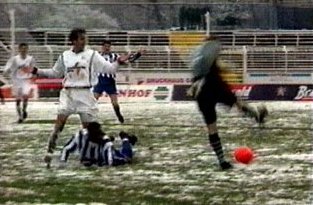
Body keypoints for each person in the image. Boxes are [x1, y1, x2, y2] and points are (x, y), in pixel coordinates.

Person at [24, 28, 131, 166]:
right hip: (68, 94)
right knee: (59, 124)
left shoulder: (92, 55)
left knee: (89, 130)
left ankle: (90, 156)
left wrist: (118, 63)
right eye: (81, 39)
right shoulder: (65, 56)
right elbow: (56, 72)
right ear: (74, 41)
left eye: (85, 39)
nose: (84, 41)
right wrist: (36, 71)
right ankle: (50, 152)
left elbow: (108, 69)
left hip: (86, 94)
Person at [188, 36, 268, 170]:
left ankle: (221, 161)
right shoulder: (211, 62)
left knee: (212, 127)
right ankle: (256, 116)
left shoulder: (199, 61)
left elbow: (206, 70)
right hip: (213, 86)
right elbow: (220, 66)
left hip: (201, 92)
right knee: (236, 103)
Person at [93, 40, 143, 123]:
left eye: (108, 46)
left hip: (110, 81)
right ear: (102, 47)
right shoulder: (97, 56)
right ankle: (90, 117)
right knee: (93, 101)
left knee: (114, 102)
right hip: (99, 81)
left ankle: (119, 116)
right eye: (105, 46)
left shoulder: (114, 56)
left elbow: (128, 61)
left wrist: (138, 55)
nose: (107, 48)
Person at [3, 43, 36, 122]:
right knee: (17, 99)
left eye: (25, 48)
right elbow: (8, 67)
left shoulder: (30, 59)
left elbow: (33, 68)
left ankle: (24, 110)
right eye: (22, 48)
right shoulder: (15, 59)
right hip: (17, 81)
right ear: (19, 49)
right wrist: (5, 72)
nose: (24, 50)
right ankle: (20, 117)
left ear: (27, 49)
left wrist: (34, 75)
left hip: (26, 80)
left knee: (25, 97)